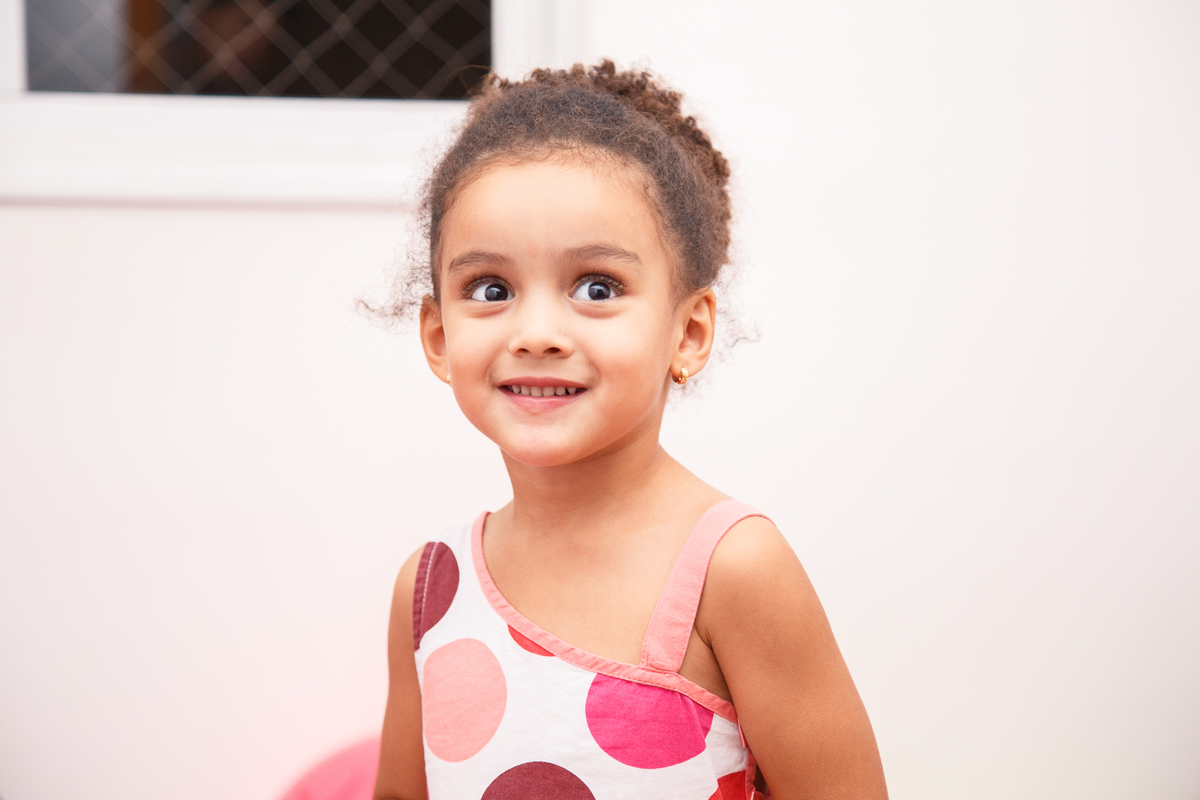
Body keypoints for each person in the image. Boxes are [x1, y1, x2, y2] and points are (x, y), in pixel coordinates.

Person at [371, 60, 887, 800]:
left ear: (689, 331)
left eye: (596, 288)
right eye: (491, 290)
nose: (538, 332)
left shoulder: (733, 571)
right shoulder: (426, 593)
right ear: (439, 337)